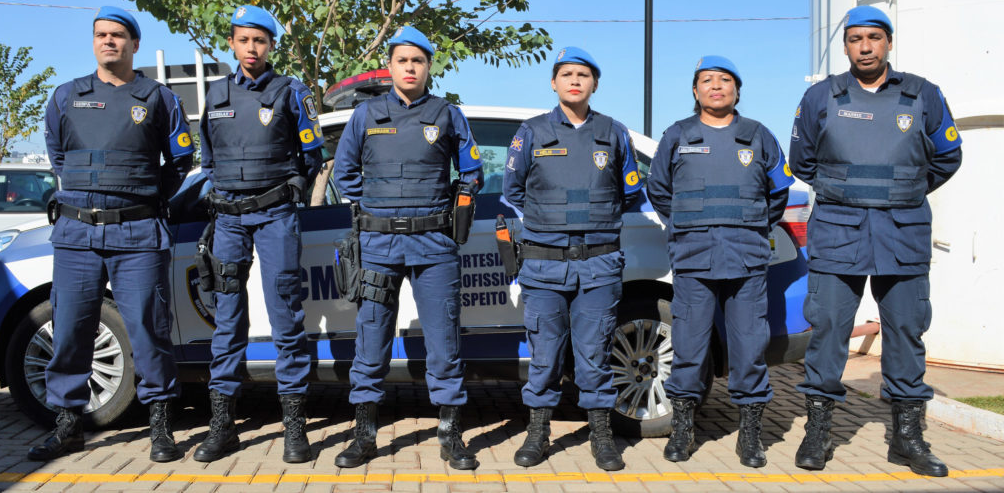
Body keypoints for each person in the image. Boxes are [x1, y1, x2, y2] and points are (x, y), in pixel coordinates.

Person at [789, 5, 962, 477]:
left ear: (888, 42)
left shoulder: (922, 94)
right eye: (855, 39)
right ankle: (818, 433)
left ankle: (907, 439)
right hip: (838, 235)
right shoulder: (821, 96)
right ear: (845, 45)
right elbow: (802, 161)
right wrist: (847, 195)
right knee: (827, 333)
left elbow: (947, 155)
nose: (864, 47)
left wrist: (905, 191)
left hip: (902, 235)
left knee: (906, 333)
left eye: (874, 38)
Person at [32, 6, 194, 463]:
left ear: (134, 44)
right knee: (69, 330)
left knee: (148, 329)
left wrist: (139, 198)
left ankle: (160, 427)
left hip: (139, 233)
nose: (109, 41)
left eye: (118, 35)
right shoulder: (66, 96)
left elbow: (180, 162)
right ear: (93, 42)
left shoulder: (160, 98)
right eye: (101, 35)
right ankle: (68, 426)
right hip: (76, 234)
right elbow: (59, 157)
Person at [331, 25, 484, 470]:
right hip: (378, 244)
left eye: (418, 60)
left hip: (435, 244)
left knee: (443, 339)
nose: (410, 67)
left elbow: (471, 171)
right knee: (371, 337)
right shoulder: (366, 115)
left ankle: (451, 436)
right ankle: (364, 435)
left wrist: (458, 203)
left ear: (428, 66)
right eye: (402, 60)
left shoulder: (447, 114)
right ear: (392, 66)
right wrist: (376, 209)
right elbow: (345, 174)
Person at [647, 56, 793, 468]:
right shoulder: (678, 135)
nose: (716, 86)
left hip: (746, 261)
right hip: (694, 260)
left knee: (749, 349)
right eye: (707, 81)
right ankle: (682, 429)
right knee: (690, 348)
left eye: (724, 80)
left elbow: (778, 192)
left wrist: (751, 227)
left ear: (736, 90)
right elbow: (659, 191)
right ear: (695, 91)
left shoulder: (758, 136)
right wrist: (685, 227)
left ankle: (750, 435)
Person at [195, 5, 326, 464]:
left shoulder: (291, 92)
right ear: (231, 43)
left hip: (276, 218)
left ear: (271, 46)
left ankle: (294, 428)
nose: (252, 48)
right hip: (228, 220)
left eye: (261, 41)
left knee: (285, 316)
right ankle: (222, 426)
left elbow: (312, 155)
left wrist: (288, 193)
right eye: (244, 40)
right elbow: (207, 161)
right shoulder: (214, 94)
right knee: (227, 320)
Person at [502, 47, 642, 471]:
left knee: (595, 354)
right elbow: (513, 191)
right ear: (554, 82)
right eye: (567, 74)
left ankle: (601, 436)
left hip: (599, 265)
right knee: (544, 354)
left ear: (594, 84)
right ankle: (538, 433)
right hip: (544, 265)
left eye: (583, 74)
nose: (575, 80)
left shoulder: (614, 133)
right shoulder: (531, 132)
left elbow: (630, 192)